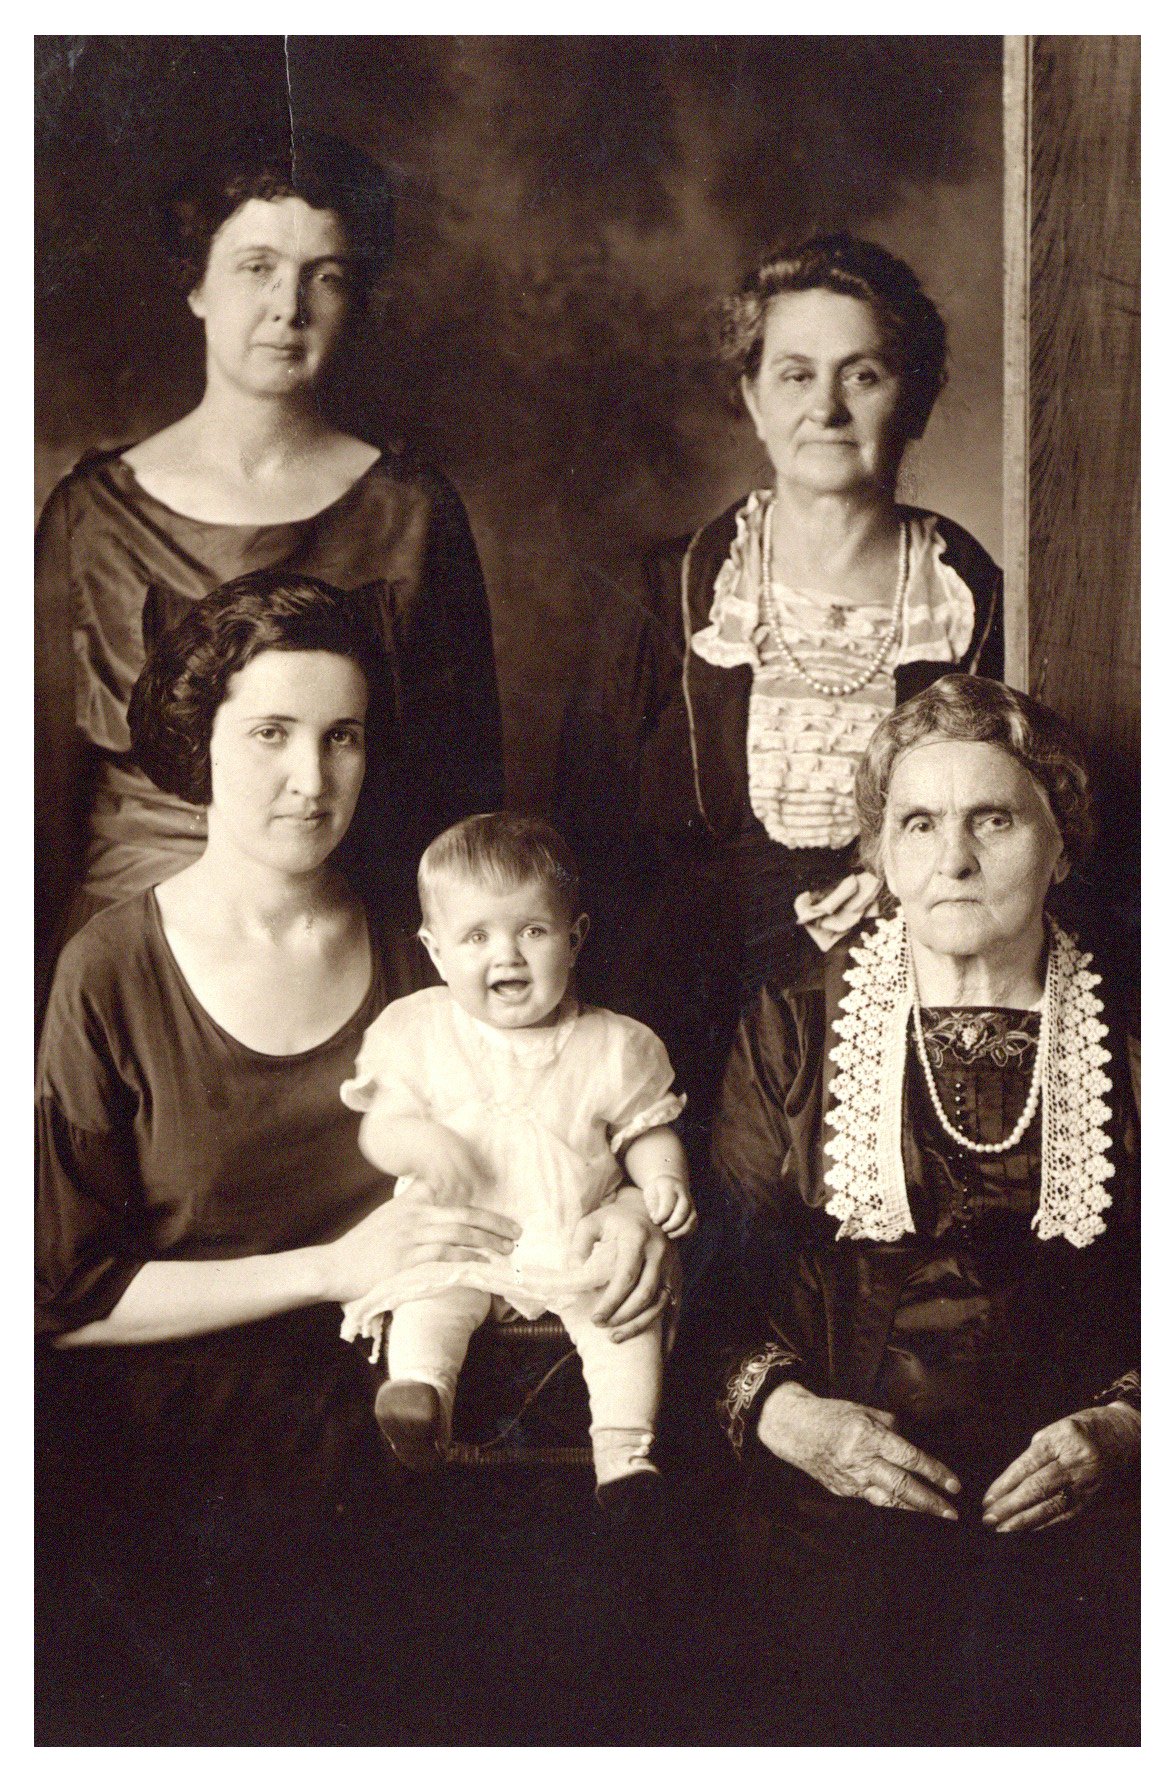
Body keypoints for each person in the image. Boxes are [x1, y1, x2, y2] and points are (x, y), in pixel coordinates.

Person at [36, 574, 672, 1497]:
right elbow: (59, 1295)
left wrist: (626, 1214)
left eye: (342, 737)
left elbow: (578, 1104)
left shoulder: (437, 946)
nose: (312, 779)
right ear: (197, 741)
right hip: (191, 1454)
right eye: (270, 734)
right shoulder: (111, 970)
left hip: (427, 1425)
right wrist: (330, 1269)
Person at [708, 674, 1139, 1742]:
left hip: (1084, 1527)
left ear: (1064, 844)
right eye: (918, 823)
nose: (953, 860)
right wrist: (788, 1417)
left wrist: (1130, 1430)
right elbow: (711, 1291)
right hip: (830, 1526)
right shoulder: (792, 1028)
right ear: (883, 855)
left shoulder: (1141, 1030)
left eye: (992, 819)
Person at [35, 129, 502, 1004]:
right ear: (197, 284)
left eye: (323, 276)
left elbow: (464, 801)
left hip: (354, 950)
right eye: (255, 267)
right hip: (133, 960)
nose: (288, 306)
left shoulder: (412, 510)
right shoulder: (91, 514)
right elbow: (34, 802)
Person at [557, 235, 1002, 1122]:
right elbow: (585, 834)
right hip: (678, 1014)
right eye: (796, 375)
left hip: (903, 1010)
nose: (827, 409)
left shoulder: (971, 593)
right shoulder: (673, 587)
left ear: (911, 400)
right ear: (753, 398)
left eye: (863, 375)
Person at [336, 812, 696, 1508]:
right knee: (430, 1298)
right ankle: (421, 1398)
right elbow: (376, 1131)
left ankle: (625, 1455)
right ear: (436, 952)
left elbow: (644, 1127)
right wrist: (416, 1140)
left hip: (574, 1237)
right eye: (476, 936)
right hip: (460, 1235)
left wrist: (662, 1178)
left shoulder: (615, 1045)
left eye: (532, 930)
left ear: (574, 937)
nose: (507, 956)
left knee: (622, 1313)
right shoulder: (417, 1031)